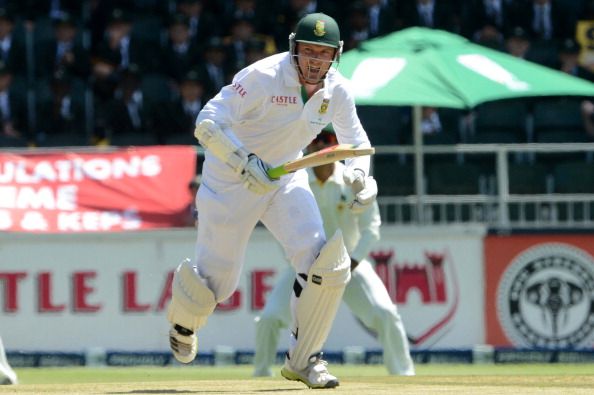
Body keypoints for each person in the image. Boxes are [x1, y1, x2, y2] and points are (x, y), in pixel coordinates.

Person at [166, 12, 377, 389]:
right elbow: (208, 121)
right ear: (293, 49)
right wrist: (243, 161)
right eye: (308, 52)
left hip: (285, 179)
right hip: (231, 181)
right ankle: (183, 322)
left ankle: (305, 360)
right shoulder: (262, 76)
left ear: (336, 56)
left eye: (323, 54)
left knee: (325, 262)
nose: (314, 61)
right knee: (216, 284)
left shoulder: (337, 90)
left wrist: (362, 176)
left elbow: (356, 144)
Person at [253, 130, 415, 377]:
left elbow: (371, 227)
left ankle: (404, 375)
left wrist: (352, 262)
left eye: (327, 141)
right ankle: (261, 376)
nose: (321, 146)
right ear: (307, 146)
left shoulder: (352, 179)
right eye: (316, 141)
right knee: (270, 318)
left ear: (337, 146)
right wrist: (299, 261)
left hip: (349, 264)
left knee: (385, 314)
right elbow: (281, 226)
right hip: (306, 266)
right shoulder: (295, 180)